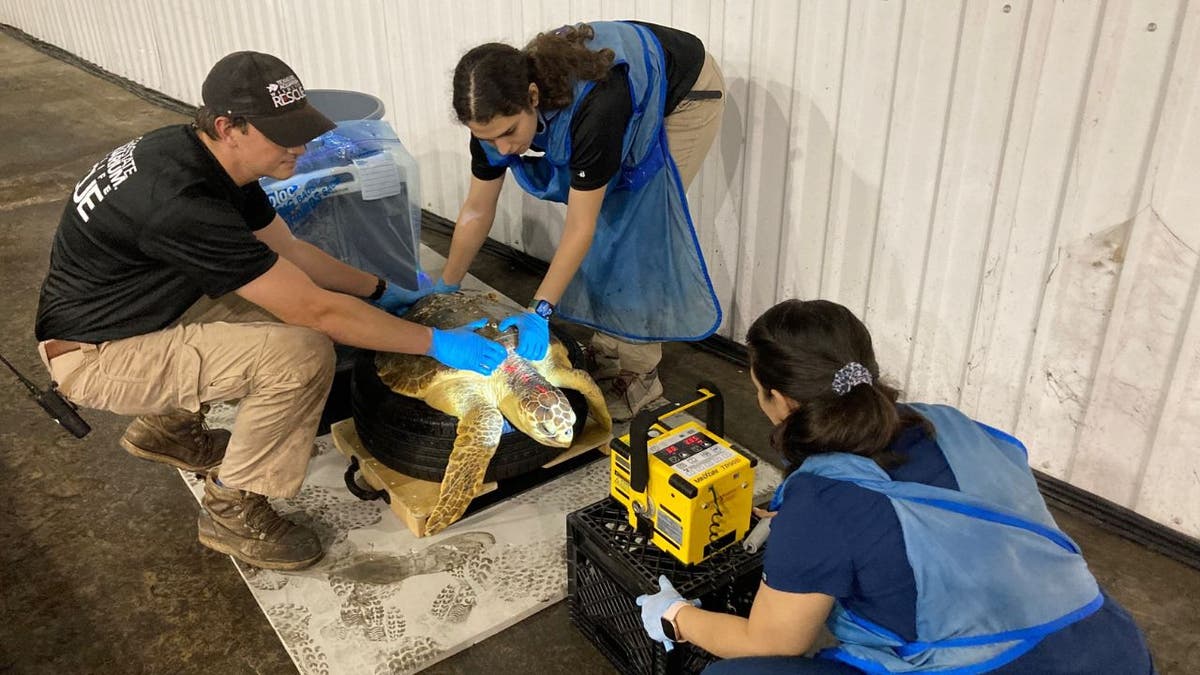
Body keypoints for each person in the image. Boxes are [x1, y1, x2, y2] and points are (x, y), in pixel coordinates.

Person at [33, 51, 507, 571]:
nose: (300, 147)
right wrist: (437, 343)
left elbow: (292, 253)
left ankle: (168, 428)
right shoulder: (182, 201)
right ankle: (232, 508)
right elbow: (317, 311)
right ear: (227, 127)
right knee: (301, 353)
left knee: (277, 299)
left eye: (300, 128)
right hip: (95, 357)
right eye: (284, 135)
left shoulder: (199, 157)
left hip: (134, 315)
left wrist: (379, 288)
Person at [636, 299, 1156, 673]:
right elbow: (945, 509)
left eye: (756, 390)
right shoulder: (943, 421)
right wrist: (806, 525)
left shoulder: (823, 506)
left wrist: (678, 617)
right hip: (1111, 644)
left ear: (780, 401)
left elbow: (768, 641)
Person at [434, 20, 726, 421]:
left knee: (633, 230)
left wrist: (540, 311)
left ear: (532, 96)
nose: (502, 147)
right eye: (488, 139)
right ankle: (609, 350)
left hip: (685, 92)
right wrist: (445, 285)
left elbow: (580, 226)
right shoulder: (490, 118)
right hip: (612, 96)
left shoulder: (596, 108)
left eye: (509, 132)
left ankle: (638, 372)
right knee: (609, 223)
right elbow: (477, 209)